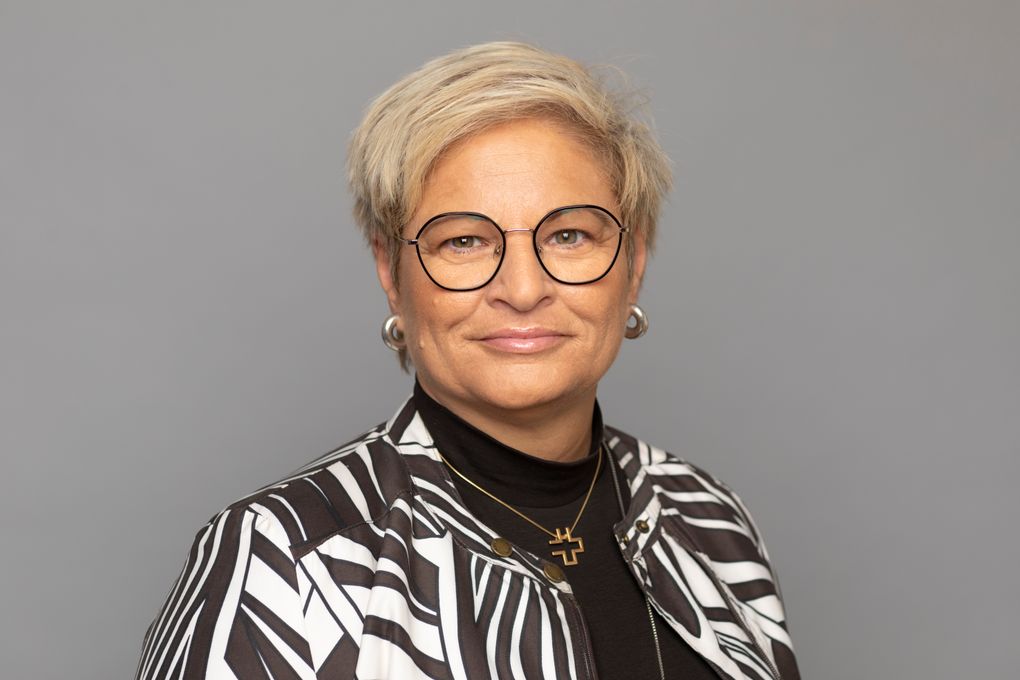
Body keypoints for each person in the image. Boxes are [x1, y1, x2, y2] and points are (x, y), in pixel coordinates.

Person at [136, 42, 800, 680]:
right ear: (391, 274)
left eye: (569, 235)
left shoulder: (708, 519)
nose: (522, 289)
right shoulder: (283, 558)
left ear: (635, 260)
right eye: (463, 242)